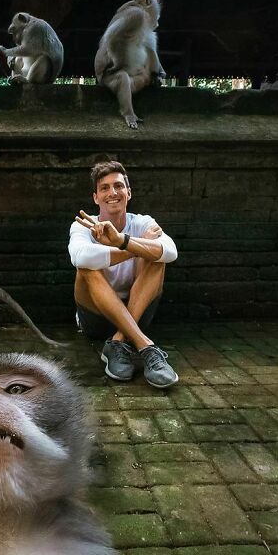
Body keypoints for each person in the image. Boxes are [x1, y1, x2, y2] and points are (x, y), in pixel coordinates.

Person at [69, 160, 178, 388]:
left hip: (136, 311)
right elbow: (81, 257)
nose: (113, 192)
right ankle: (146, 346)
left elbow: (171, 252)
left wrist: (124, 240)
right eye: (105, 188)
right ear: (96, 197)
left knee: (157, 259)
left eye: (118, 186)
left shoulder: (143, 222)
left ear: (129, 192)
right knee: (86, 268)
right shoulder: (83, 225)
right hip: (96, 319)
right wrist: (129, 247)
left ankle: (118, 341)